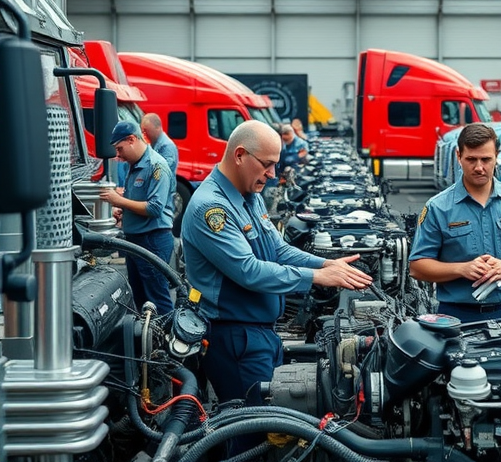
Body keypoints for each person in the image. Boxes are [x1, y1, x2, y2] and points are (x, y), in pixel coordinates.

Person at [182, 120, 372, 417]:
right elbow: (249, 271)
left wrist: (326, 263)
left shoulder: (250, 197)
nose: (272, 175)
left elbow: (279, 250)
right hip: (235, 339)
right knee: (251, 428)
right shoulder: (211, 208)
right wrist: (316, 277)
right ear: (240, 155)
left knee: (271, 422)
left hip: (260, 334)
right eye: (267, 165)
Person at [409, 123, 501, 322]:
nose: (479, 167)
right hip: (457, 317)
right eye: (471, 159)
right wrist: (461, 269)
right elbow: (417, 266)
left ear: (496, 156)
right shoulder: (438, 207)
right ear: (459, 156)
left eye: (486, 159)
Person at [99, 121, 176, 314]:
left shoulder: (156, 166)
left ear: (132, 139)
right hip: (137, 241)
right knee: (141, 299)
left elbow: (155, 208)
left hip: (152, 240)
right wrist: (124, 211)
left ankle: (168, 340)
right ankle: (148, 341)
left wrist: (119, 201)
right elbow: (139, 200)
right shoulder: (135, 166)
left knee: (157, 298)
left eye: (120, 148)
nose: (118, 155)